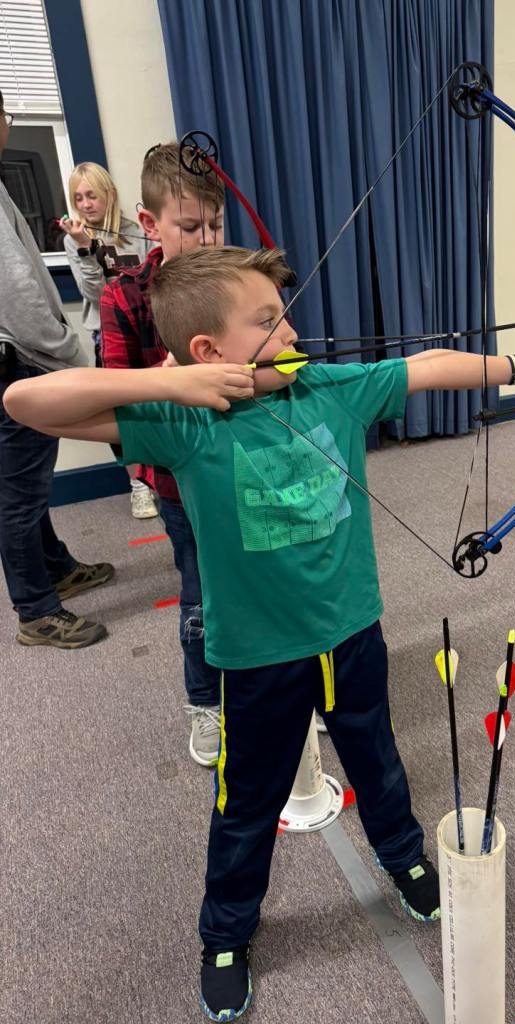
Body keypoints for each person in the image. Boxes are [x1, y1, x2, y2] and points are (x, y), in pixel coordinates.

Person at [4, 244, 515, 1020]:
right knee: (247, 801)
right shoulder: (182, 423)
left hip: (350, 634)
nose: (291, 328)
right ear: (209, 353)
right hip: (257, 658)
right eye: (267, 321)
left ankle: (404, 861)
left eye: (284, 313)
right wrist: (175, 381)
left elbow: (427, 365)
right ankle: (226, 933)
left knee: (376, 759)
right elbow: (28, 401)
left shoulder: (329, 388)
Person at [99, 142, 226, 766]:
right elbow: (114, 396)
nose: (206, 240)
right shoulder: (123, 297)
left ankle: (281, 688)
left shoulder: (237, 281)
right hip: (178, 480)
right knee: (201, 595)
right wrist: (173, 373)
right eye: (189, 226)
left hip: (241, 468)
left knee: (262, 582)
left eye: (216, 225)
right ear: (151, 225)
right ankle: (207, 702)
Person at [0, 88, 113, 649]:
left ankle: (54, 568)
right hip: (18, 359)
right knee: (17, 493)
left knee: (25, 483)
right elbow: (17, 292)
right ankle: (36, 609)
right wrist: (71, 350)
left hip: (23, 356)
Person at [60, 161, 158, 519]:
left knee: (160, 401)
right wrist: (86, 248)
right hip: (108, 333)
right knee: (124, 410)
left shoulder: (137, 232)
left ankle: (166, 473)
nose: (85, 204)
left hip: (150, 326)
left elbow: (156, 280)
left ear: (109, 195)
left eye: (92, 195)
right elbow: (93, 291)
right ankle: (138, 487)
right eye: (78, 197)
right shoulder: (75, 239)